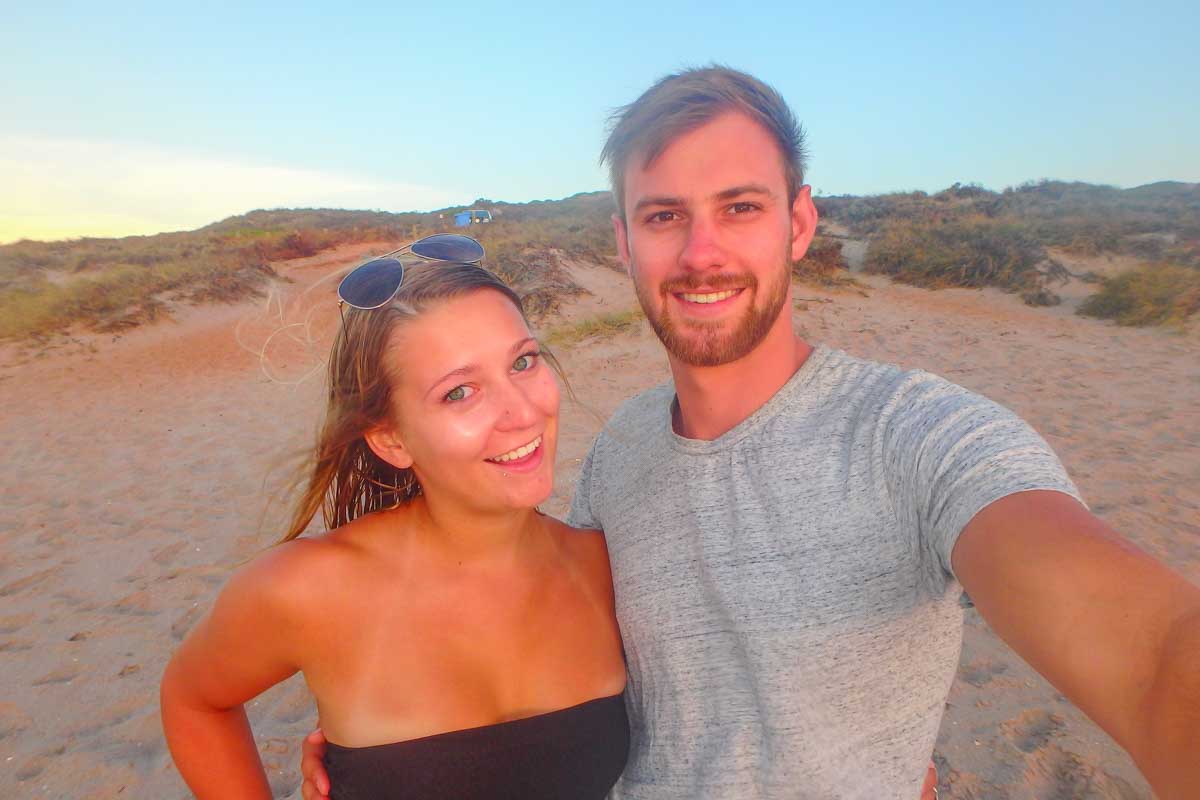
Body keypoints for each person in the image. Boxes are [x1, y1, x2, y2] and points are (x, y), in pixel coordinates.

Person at [299, 67, 1200, 799]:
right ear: (623, 242)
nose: (700, 254)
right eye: (664, 216)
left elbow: (1157, 655)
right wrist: (405, 750)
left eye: (740, 207)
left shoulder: (923, 437)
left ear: (798, 224)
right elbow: (558, 635)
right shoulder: (616, 455)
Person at [160, 257, 629, 799]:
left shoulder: (604, 567)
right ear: (391, 440)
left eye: (523, 362)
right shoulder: (308, 591)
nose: (521, 412)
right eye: (459, 392)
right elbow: (194, 700)